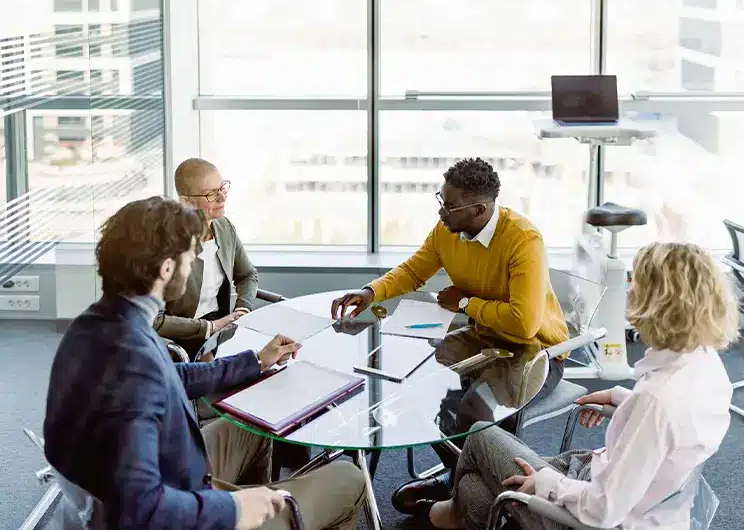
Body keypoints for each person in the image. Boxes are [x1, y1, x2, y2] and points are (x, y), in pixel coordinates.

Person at [44, 197, 365, 530]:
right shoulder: (132, 363)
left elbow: (169, 377)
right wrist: (234, 509)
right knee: (349, 477)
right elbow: (140, 511)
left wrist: (255, 361)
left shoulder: (95, 326)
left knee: (255, 425)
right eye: (189, 255)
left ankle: (263, 510)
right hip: (175, 511)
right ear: (166, 269)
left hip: (173, 476)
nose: (194, 259)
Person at [421, 242, 738, 530]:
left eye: (636, 284)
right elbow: (675, 430)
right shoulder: (705, 364)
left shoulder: (656, 402)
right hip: (617, 481)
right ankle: (468, 512)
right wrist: (622, 400)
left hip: (592, 514)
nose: (628, 291)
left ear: (660, 304)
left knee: (480, 435)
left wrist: (548, 484)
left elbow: (605, 510)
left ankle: (453, 512)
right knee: (474, 490)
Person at [330, 158, 569, 511]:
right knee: (414, 387)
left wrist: (466, 302)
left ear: (478, 209)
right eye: (440, 200)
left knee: (474, 409)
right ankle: (462, 474)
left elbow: (524, 323)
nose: (441, 212)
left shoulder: (523, 239)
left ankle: (488, 495)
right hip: (483, 335)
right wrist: (371, 292)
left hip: (535, 351)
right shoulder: (448, 231)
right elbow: (414, 269)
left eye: (449, 205)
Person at [154, 158, 258, 360]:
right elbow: (154, 320)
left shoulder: (224, 227)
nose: (222, 198)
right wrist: (210, 328)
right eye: (211, 194)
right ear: (186, 201)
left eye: (222, 188)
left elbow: (248, 275)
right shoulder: (165, 242)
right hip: (176, 340)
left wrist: (243, 309)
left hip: (219, 333)